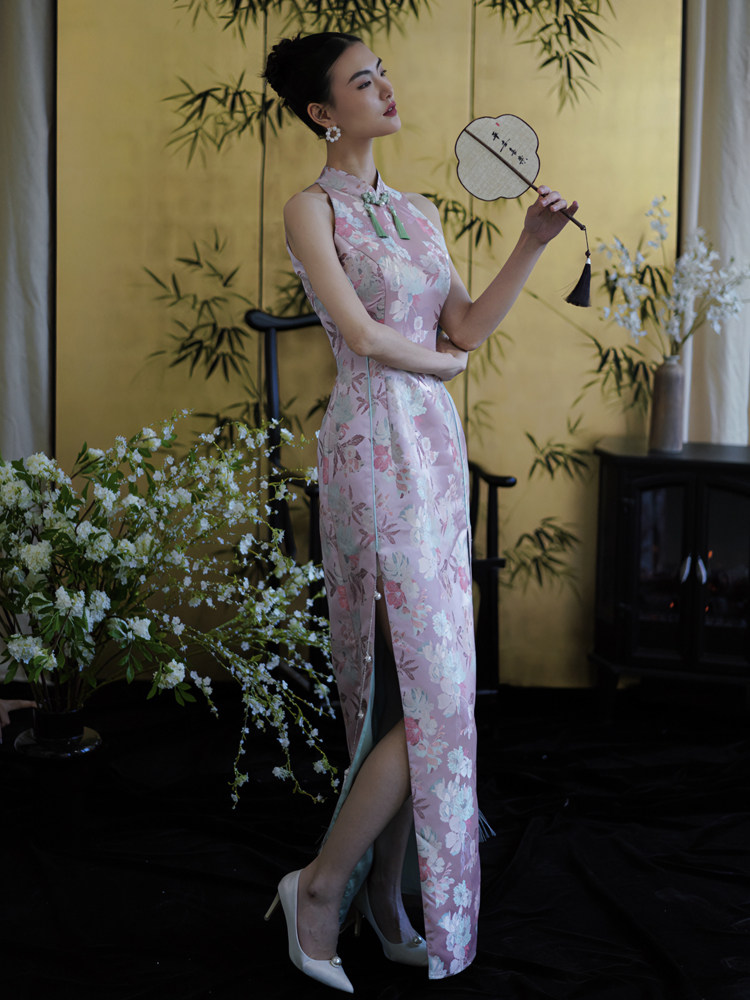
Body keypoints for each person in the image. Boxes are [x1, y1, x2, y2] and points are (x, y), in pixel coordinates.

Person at [263, 32, 577, 991]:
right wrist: (437, 365)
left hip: (432, 454)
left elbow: (467, 325)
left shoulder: (418, 211)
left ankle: (381, 900)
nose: (385, 88)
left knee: (424, 693)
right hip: (370, 447)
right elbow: (362, 335)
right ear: (323, 113)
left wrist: (530, 243)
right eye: (362, 82)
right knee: (421, 694)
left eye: (383, 74)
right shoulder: (311, 208)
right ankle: (320, 889)